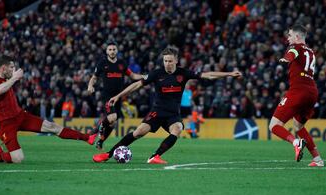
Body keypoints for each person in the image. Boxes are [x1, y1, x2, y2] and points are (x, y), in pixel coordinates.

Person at [93, 47, 242, 164]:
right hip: (157, 111)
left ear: (176, 60)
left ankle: (154, 156)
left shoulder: (183, 73)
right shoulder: (157, 73)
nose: (167, 64)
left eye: (170, 61)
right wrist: (118, 96)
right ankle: (108, 154)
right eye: (165, 61)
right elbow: (137, 84)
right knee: (138, 132)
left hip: (173, 113)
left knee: (177, 129)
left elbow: (207, 75)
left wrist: (229, 74)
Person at [0, 55, 97, 163]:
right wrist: (14, 78)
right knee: (18, 159)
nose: (14, 70)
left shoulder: (5, 76)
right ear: (3, 68)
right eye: (11, 67)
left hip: (20, 116)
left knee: (52, 126)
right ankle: (1, 155)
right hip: (5, 122)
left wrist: (13, 77)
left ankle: (87, 137)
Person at [269, 25, 324, 167]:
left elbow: (292, 53)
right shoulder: (311, 52)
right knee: (298, 126)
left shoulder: (295, 47)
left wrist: (286, 59)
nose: (288, 38)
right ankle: (318, 160)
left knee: (274, 126)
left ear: (297, 37)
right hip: (312, 92)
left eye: (290, 35)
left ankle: (296, 142)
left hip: (298, 91)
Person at [87, 40, 144, 150]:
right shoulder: (102, 63)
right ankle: (94, 131)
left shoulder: (122, 63)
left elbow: (132, 75)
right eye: (110, 49)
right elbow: (94, 77)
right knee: (112, 117)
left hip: (119, 96)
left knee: (112, 123)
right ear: (106, 51)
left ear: (117, 51)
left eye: (114, 49)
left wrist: (144, 76)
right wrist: (90, 86)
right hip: (107, 95)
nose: (112, 51)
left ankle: (100, 141)